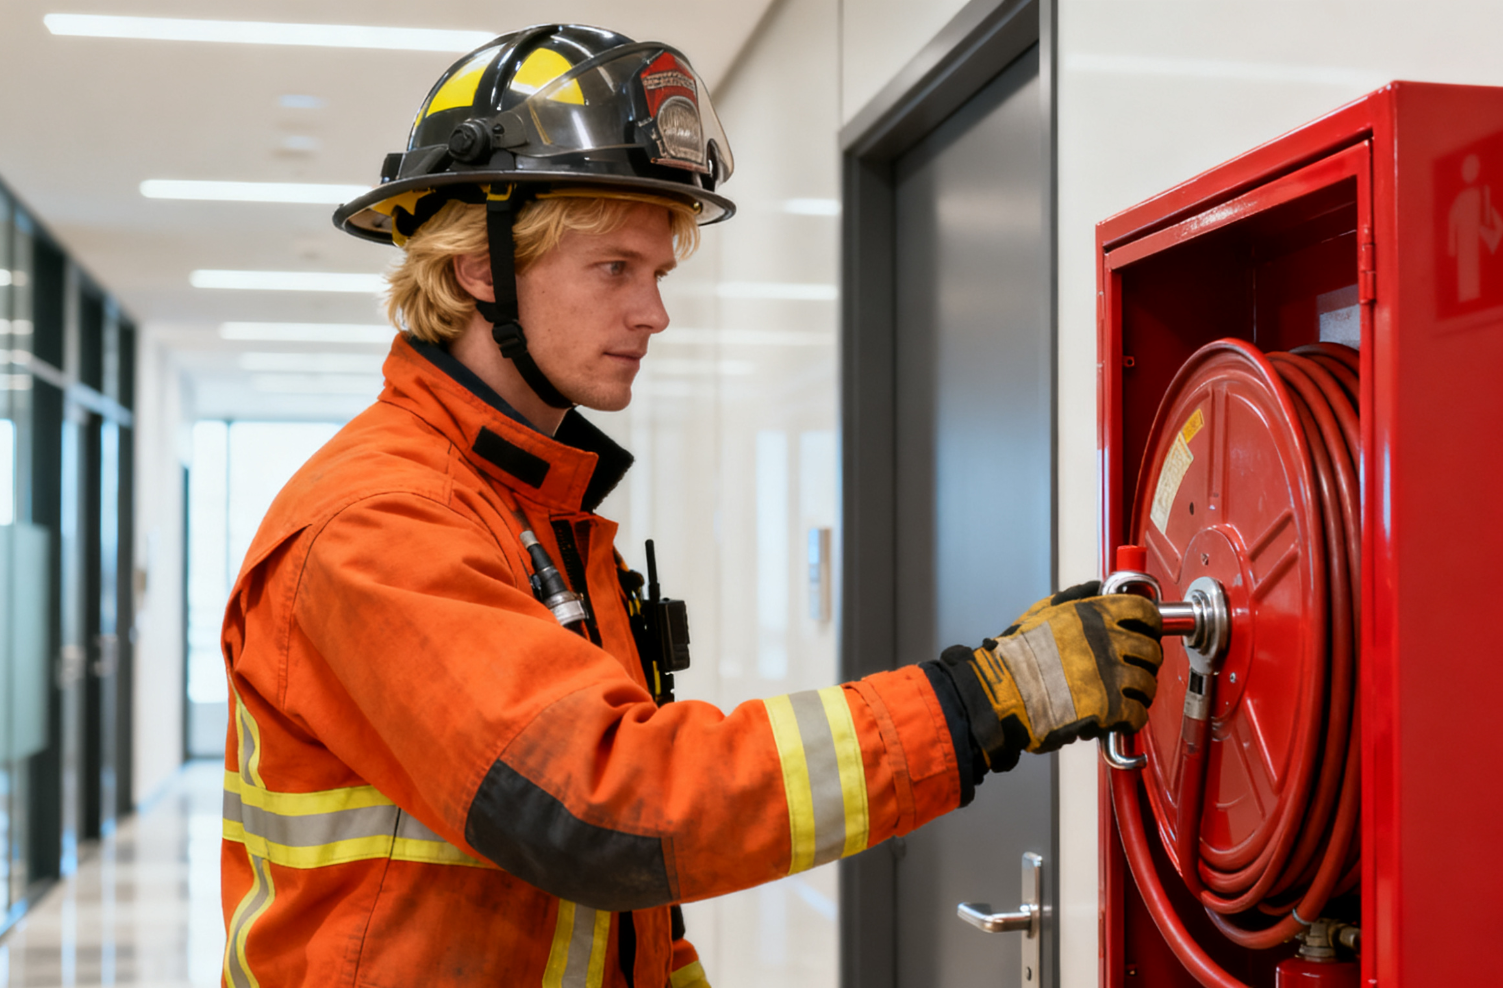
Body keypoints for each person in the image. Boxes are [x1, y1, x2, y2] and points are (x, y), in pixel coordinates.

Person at [218, 25, 1164, 988]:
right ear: (477, 269)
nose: (653, 314)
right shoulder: (377, 525)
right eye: (614, 270)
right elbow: (607, 810)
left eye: (658, 274)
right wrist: (985, 700)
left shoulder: (532, 507)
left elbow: (615, 905)